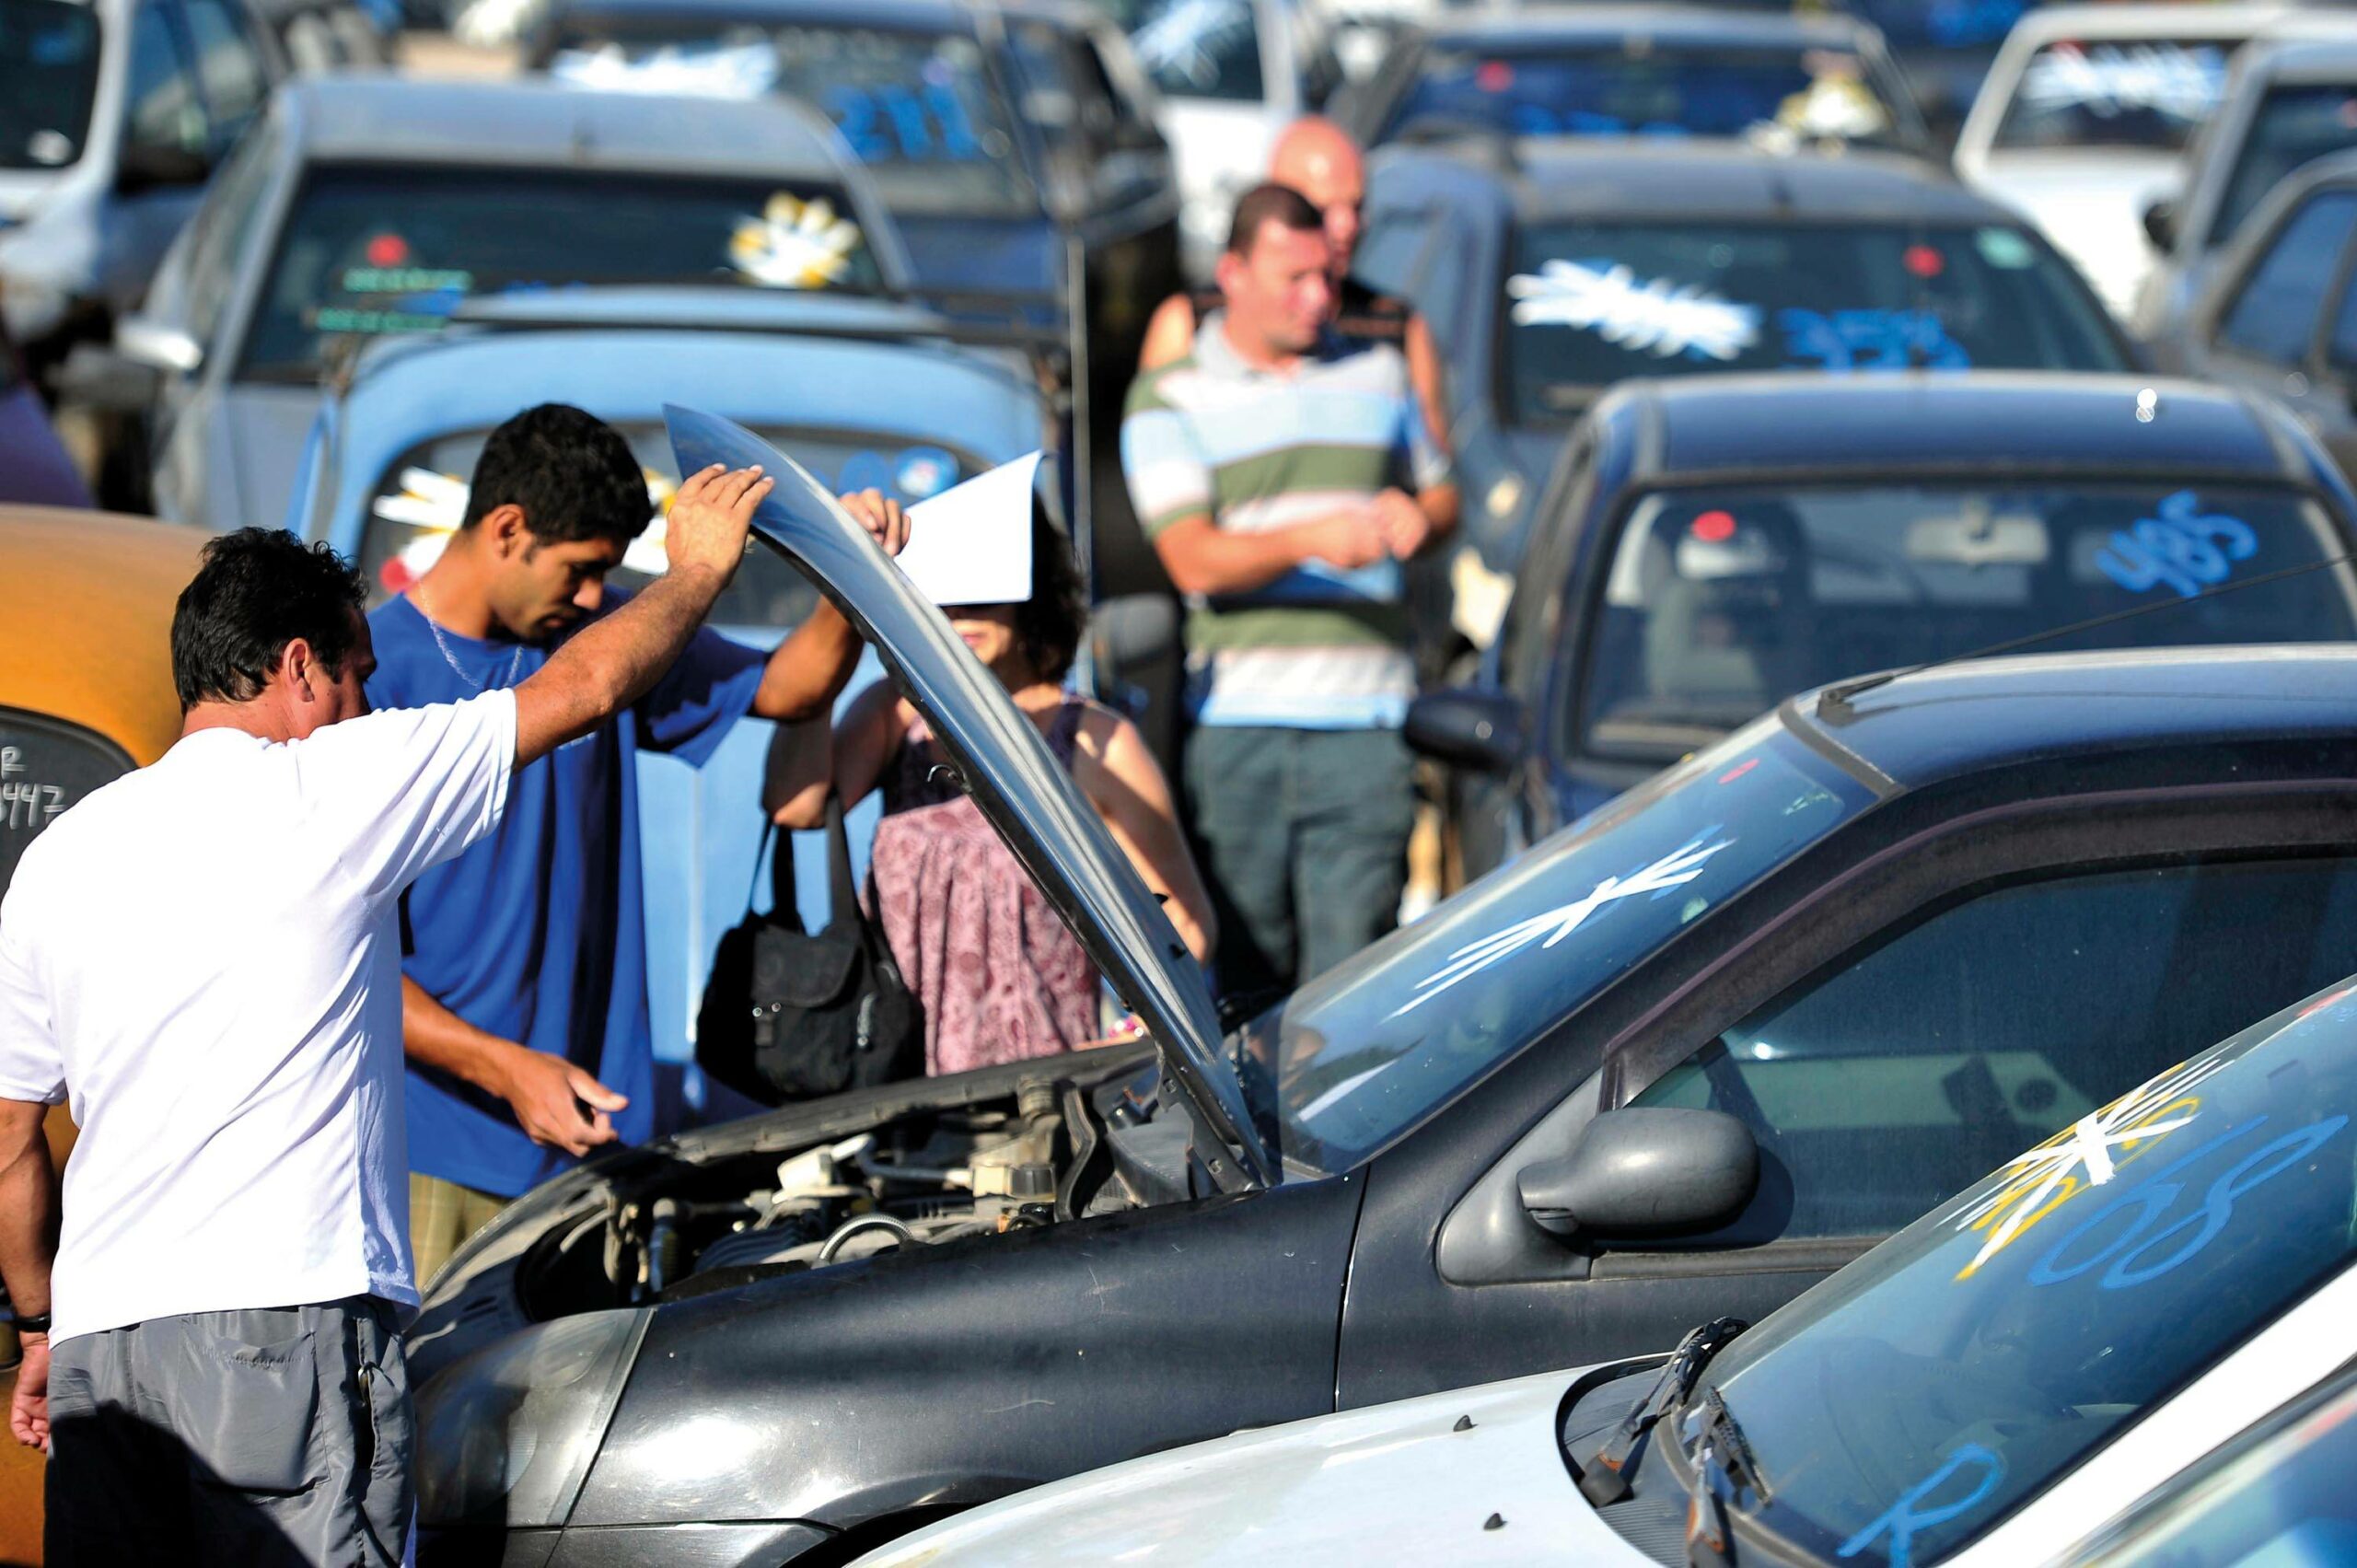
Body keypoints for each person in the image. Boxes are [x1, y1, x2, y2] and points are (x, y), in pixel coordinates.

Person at [0, 466, 773, 1566]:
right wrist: (699, 566)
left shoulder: (58, 857)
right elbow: (588, 687)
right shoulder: (330, 783)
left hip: (98, 1353)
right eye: (360, 675)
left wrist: (39, 1324)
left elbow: (11, 1140)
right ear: (299, 667)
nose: (371, 704)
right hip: (280, 1328)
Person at [367, 404, 909, 1285]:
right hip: (431, 1153)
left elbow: (791, 685)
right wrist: (504, 1069)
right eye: (581, 570)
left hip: (592, 1153)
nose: (592, 599)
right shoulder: (377, 677)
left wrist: (849, 574)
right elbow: (333, 955)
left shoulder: (605, 638)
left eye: (607, 577)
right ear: (507, 529)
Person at [1121, 183, 1456, 998]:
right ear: (1232, 272)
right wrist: (1313, 538)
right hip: (1240, 732)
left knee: (1357, 988)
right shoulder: (1171, 394)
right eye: (1293, 277)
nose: (1318, 297)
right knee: (1246, 982)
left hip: (1366, 727)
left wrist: (1421, 515)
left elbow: (1446, 493)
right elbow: (1192, 559)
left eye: (1327, 277)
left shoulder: (1378, 372)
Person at [765, 498, 1213, 1075]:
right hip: (893, 1078)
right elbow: (794, 806)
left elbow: (1184, 922)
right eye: (940, 597)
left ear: (1032, 593)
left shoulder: (1093, 738)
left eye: (980, 594)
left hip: (1041, 1092)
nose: (960, 613)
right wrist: (826, 648)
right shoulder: (894, 715)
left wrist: (1125, 1041)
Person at [1138, 116, 1454, 470]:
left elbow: (1436, 480)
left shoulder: (1395, 328)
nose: (1346, 226)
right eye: (1323, 209)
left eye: (1357, 207)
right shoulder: (1189, 323)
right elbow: (1154, 466)